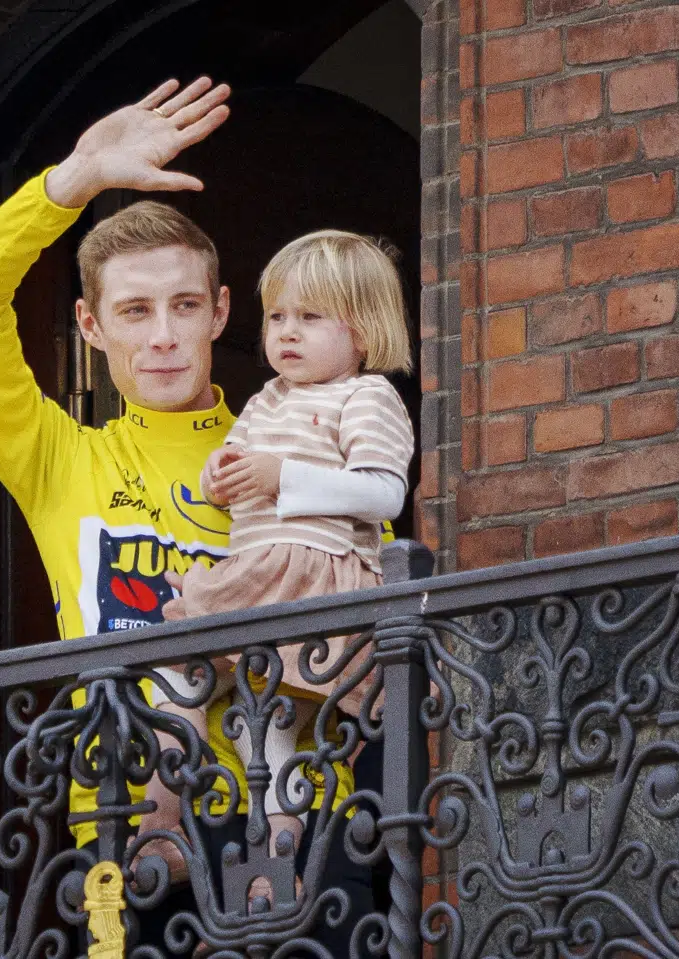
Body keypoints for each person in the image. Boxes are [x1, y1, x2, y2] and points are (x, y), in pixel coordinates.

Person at [0, 78, 373, 953]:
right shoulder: (61, 460)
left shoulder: (305, 449)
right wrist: (77, 179)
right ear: (92, 325)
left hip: (304, 826)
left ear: (219, 312)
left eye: (181, 306)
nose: (162, 334)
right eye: (135, 311)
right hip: (131, 834)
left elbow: (369, 629)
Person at [149, 229, 415, 901]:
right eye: (276, 317)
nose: (286, 332)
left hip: (313, 576)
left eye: (310, 316)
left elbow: (384, 492)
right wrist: (221, 476)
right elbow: (233, 473)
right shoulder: (265, 400)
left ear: (363, 331)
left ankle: (276, 851)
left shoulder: (368, 397)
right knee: (204, 684)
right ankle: (169, 805)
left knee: (272, 722)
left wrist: (282, 476)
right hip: (254, 573)